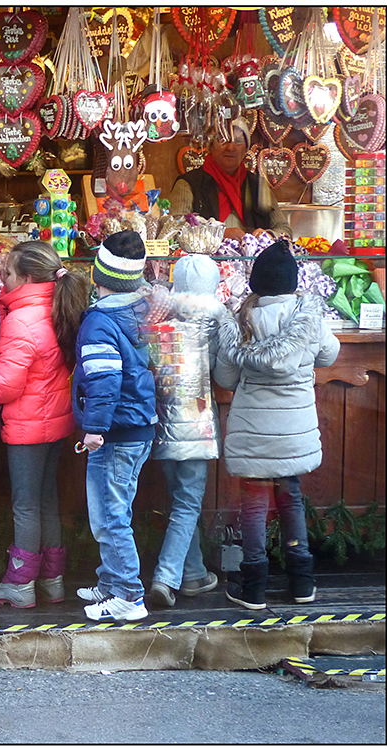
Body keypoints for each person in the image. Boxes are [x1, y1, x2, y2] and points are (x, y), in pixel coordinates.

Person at [215, 240, 340, 609]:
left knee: (253, 505)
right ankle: (303, 583)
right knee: (291, 499)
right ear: (291, 282)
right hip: (294, 434)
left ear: (256, 284)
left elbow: (225, 377)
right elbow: (330, 354)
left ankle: (253, 587)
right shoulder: (309, 319)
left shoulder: (241, 321)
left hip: (252, 435)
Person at [0, 241, 92, 608]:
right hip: (56, 423)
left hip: (27, 427)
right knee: (47, 500)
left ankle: (20, 581)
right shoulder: (59, 309)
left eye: (8, 273)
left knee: (25, 505)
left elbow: (6, 385)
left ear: (26, 278)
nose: (3, 278)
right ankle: (53, 580)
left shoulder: (21, 321)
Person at [73, 230, 158, 623]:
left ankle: (129, 595)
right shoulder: (143, 312)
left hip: (115, 431)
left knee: (110, 516)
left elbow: (104, 380)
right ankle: (110, 582)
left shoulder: (100, 323)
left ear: (98, 274)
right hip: (138, 425)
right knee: (112, 510)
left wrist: (94, 428)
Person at [145, 255, 230, 607]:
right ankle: (166, 577)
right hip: (196, 423)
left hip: (161, 424)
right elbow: (225, 376)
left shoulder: (157, 314)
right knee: (187, 504)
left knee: (179, 500)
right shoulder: (218, 318)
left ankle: (193, 573)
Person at [169, 119, 291, 241]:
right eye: (223, 140)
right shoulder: (188, 184)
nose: (231, 147)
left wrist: (268, 235)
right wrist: (217, 235)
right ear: (210, 147)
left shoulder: (258, 186)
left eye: (238, 142)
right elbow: (174, 231)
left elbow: (284, 230)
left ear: (245, 150)